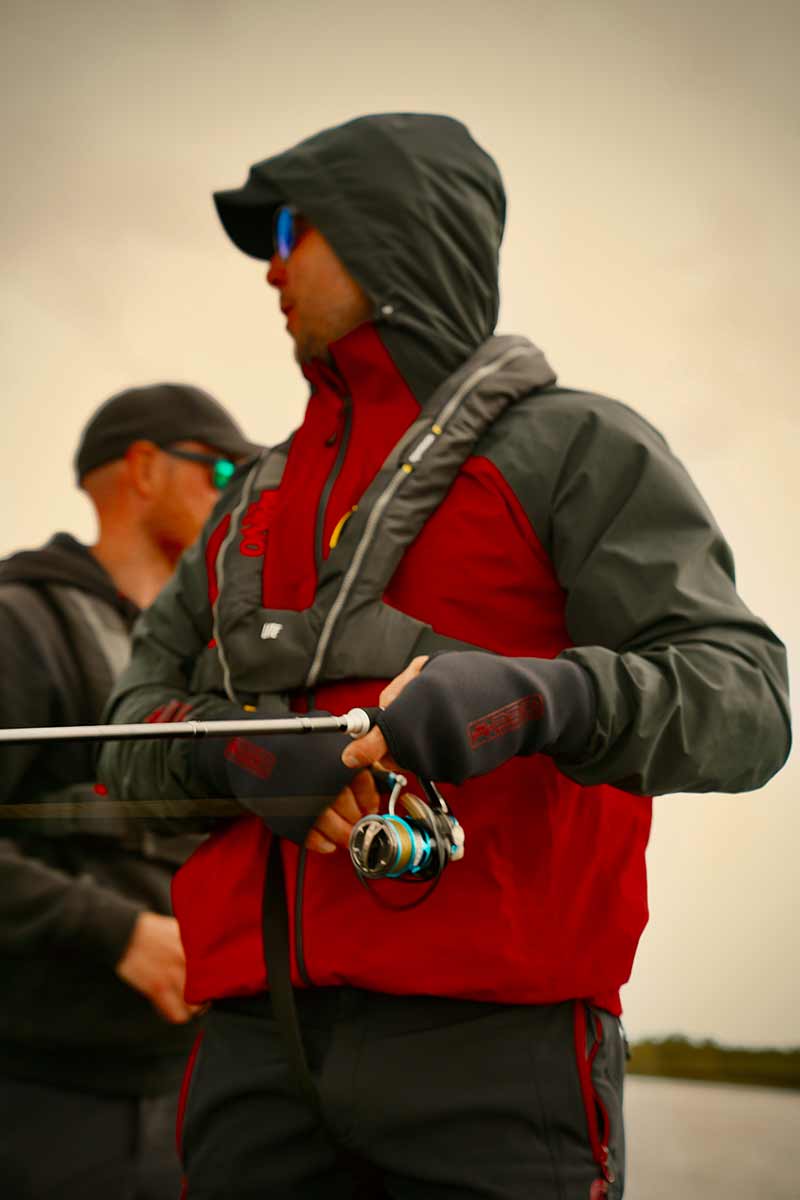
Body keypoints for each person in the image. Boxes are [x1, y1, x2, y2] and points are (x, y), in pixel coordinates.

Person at [98, 116, 791, 1200]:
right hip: (244, 1063)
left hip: (500, 1068)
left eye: (290, 230)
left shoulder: (579, 447)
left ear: (386, 232)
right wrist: (232, 755)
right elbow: (124, 726)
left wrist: (537, 698)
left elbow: (747, 702)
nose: (271, 267)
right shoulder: (243, 509)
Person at [0, 383, 259, 1199]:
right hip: (45, 1100)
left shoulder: (214, 659)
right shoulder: (19, 624)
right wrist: (117, 933)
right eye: (222, 470)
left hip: (200, 1091)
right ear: (144, 469)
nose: (236, 494)